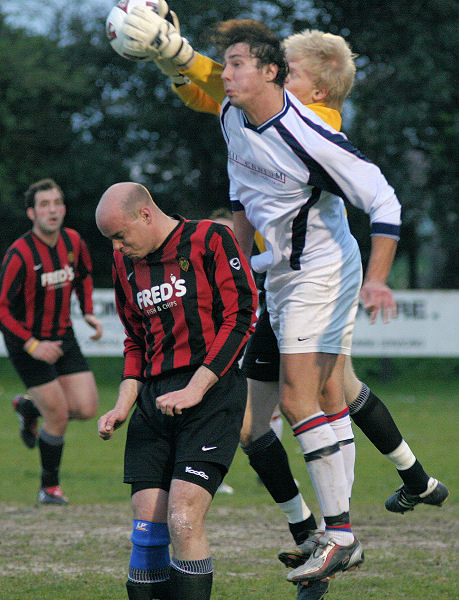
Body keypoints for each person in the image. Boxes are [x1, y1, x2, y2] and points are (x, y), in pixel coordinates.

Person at [115, 10, 449, 588]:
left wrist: (377, 278)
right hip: (279, 276)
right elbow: (209, 93)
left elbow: (386, 202)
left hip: (321, 270)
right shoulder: (233, 111)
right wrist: (170, 55)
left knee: (305, 398)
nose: (228, 75)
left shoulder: (312, 127)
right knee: (270, 415)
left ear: (279, 76)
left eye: (265, 67)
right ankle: (325, 527)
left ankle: (340, 536)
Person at [95, 182, 257, 600]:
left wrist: (197, 387)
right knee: (147, 528)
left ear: (145, 215)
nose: (117, 247)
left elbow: (241, 315)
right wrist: (122, 404)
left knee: (183, 517)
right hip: (154, 399)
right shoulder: (125, 265)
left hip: (212, 394)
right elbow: (135, 339)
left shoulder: (210, 238)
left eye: (120, 235)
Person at [0, 178, 102, 505]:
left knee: (87, 408)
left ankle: (29, 408)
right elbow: (2, 308)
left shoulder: (73, 241)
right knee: (57, 415)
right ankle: (49, 488)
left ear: (64, 208)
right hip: (28, 345)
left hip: (63, 336)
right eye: (44, 205)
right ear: (32, 213)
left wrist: (87, 311)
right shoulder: (19, 254)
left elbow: (84, 274)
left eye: (56, 203)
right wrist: (31, 345)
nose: (52, 210)